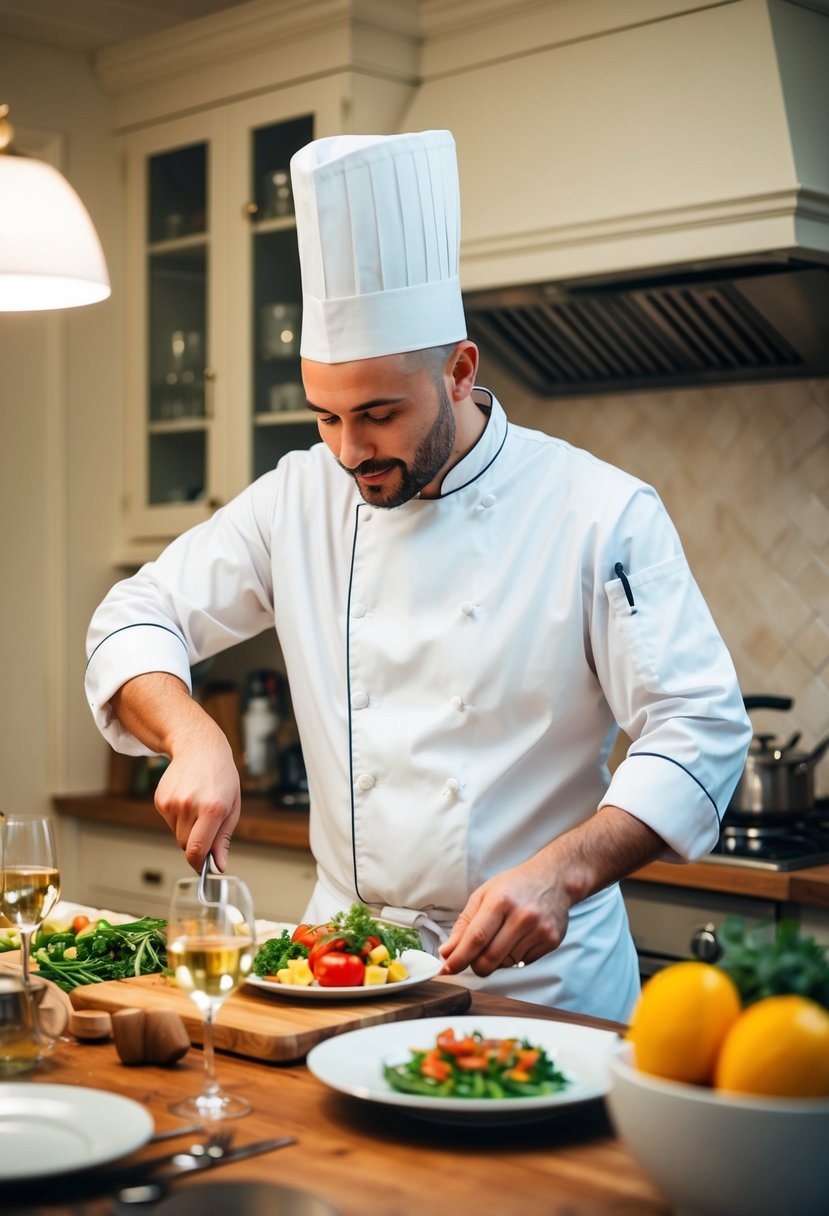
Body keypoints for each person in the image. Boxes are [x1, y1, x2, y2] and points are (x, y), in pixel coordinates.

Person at [85, 130, 751, 1020]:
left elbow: (699, 727)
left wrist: (563, 871)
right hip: (335, 973)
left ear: (459, 371)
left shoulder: (598, 511)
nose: (349, 450)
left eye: (377, 414)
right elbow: (138, 612)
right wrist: (192, 733)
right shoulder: (299, 496)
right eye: (323, 415)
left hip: (535, 984)